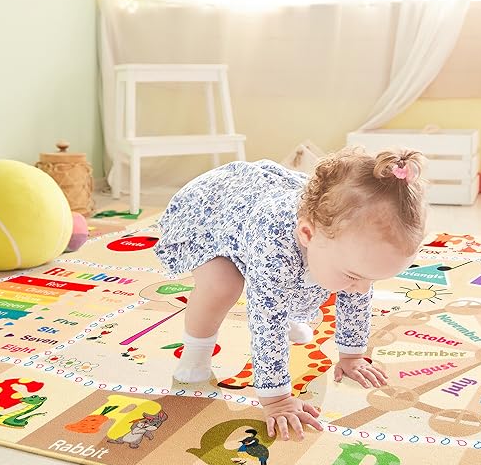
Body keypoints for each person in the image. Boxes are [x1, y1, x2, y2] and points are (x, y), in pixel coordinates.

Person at [154, 146, 429, 441]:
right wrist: (277, 400)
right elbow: (265, 323)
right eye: (356, 277)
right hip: (214, 211)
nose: (362, 288)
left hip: (283, 223)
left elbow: (356, 293)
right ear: (308, 234)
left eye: (371, 280)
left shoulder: (347, 248)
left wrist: (352, 356)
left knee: (331, 277)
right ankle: (195, 355)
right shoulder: (274, 244)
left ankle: (299, 308)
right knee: (223, 284)